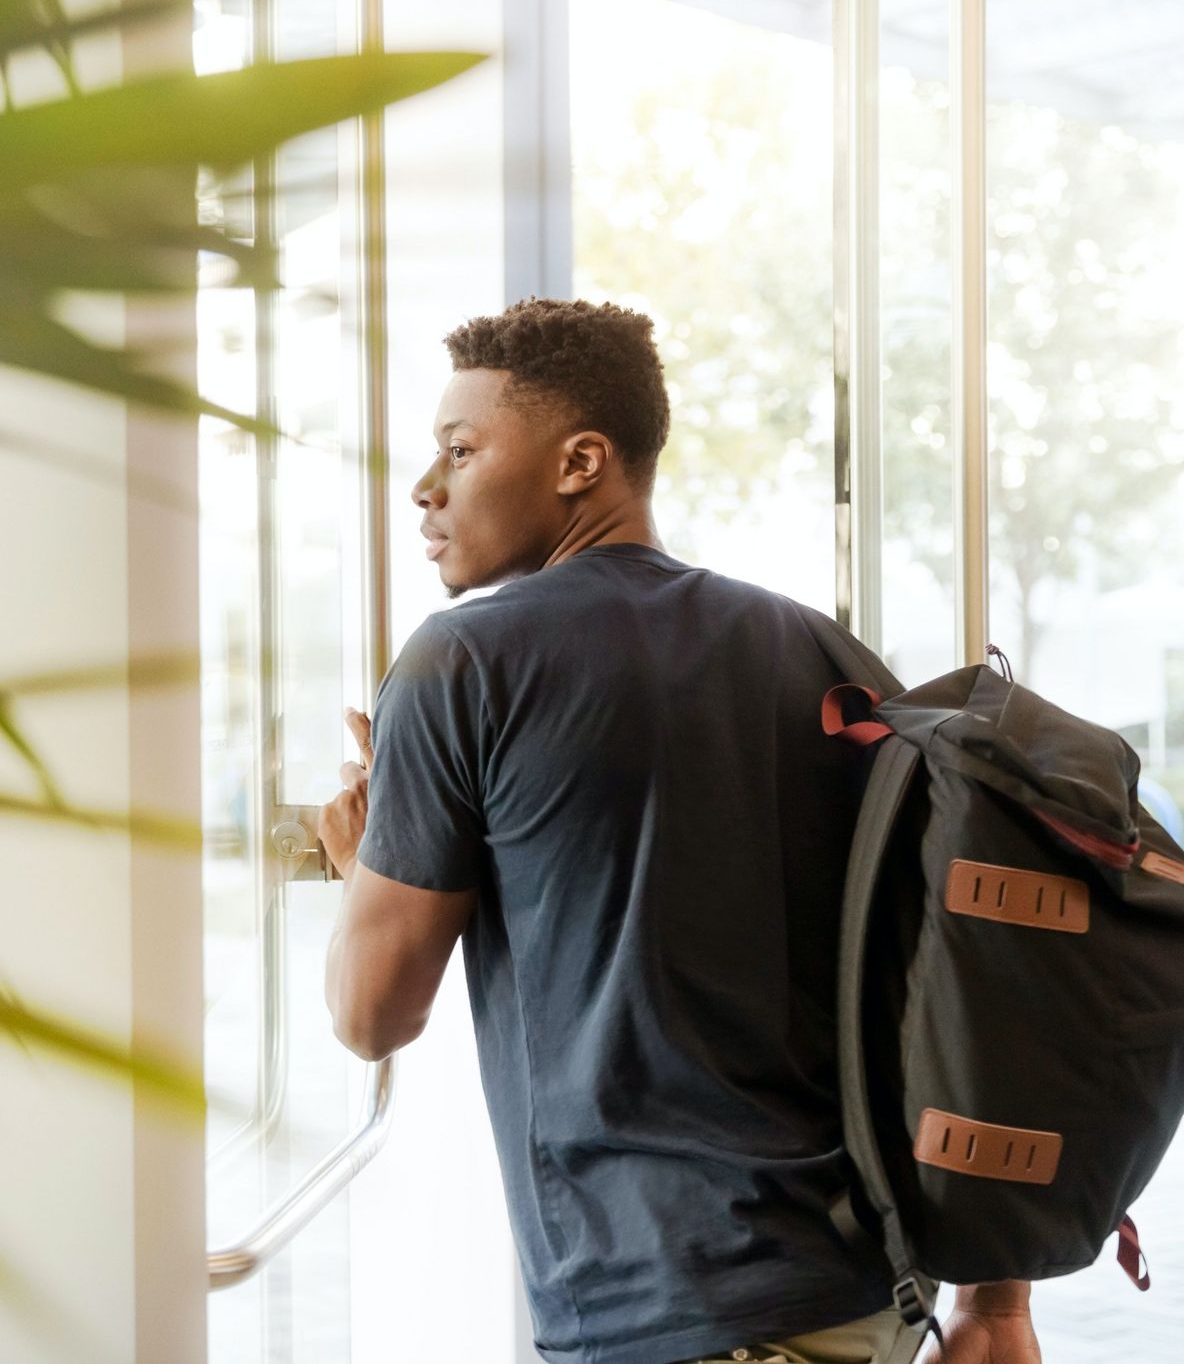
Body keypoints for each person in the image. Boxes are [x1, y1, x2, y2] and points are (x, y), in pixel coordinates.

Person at [315, 297, 1042, 1364]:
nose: (426, 488)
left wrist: (360, 868)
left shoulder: (462, 665)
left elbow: (369, 1016)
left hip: (669, 1309)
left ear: (581, 462)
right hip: (867, 1294)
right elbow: (962, 968)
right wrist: (997, 1304)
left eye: (460, 450)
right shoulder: (823, 656)